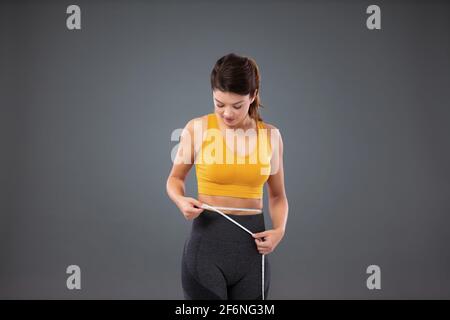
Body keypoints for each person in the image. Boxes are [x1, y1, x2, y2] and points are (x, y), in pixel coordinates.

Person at [166, 53, 288, 300]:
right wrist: (180, 201)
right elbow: (174, 180)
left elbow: (277, 196)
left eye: (237, 106)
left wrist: (279, 231)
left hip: (252, 254)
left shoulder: (271, 137)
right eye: (219, 104)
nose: (227, 114)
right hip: (207, 248)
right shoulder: (197, 128)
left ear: (252, 96)